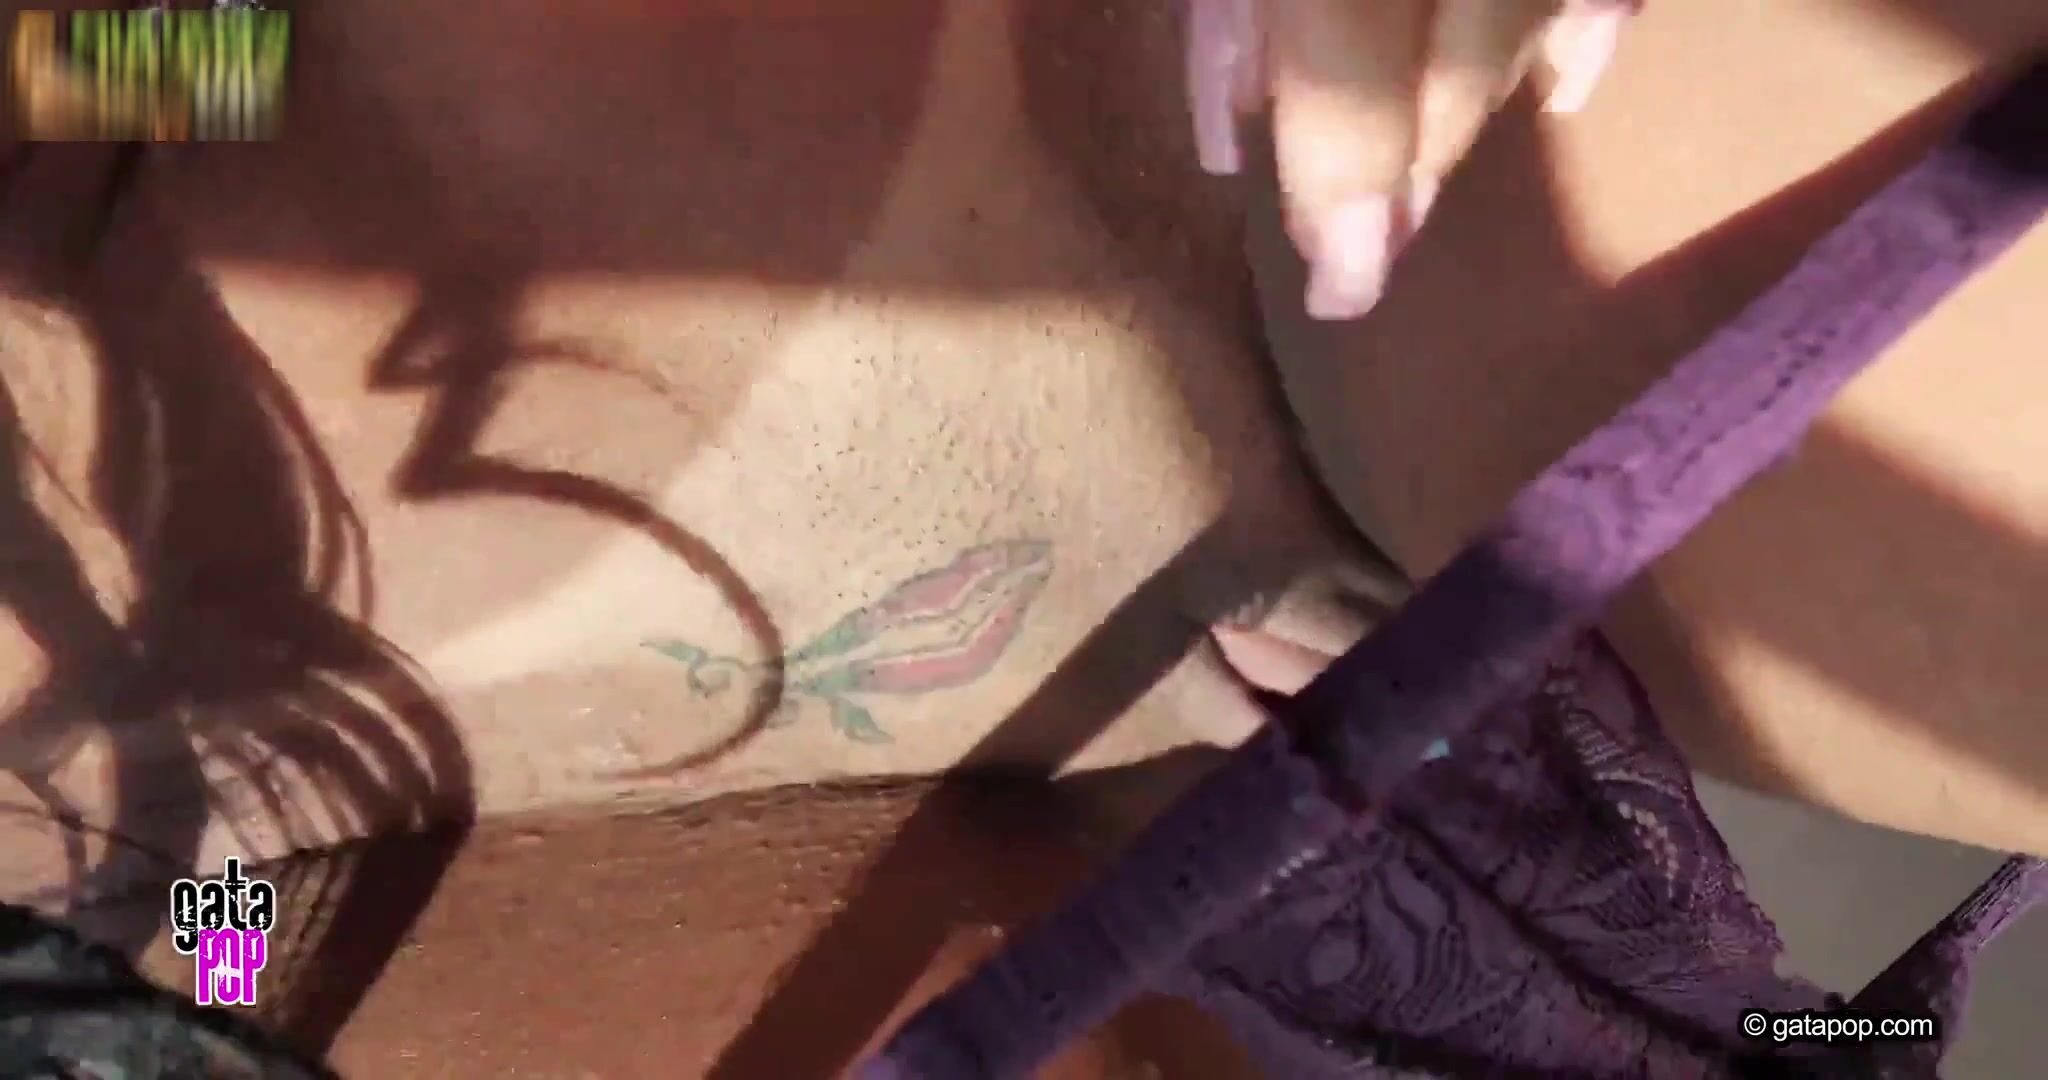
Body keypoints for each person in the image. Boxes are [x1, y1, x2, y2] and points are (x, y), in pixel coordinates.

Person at [0, 0, 2039, 1075]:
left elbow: (221, 45)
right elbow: (231, 903)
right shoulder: (137, 870)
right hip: (1332, 639)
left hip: (1255, 159)